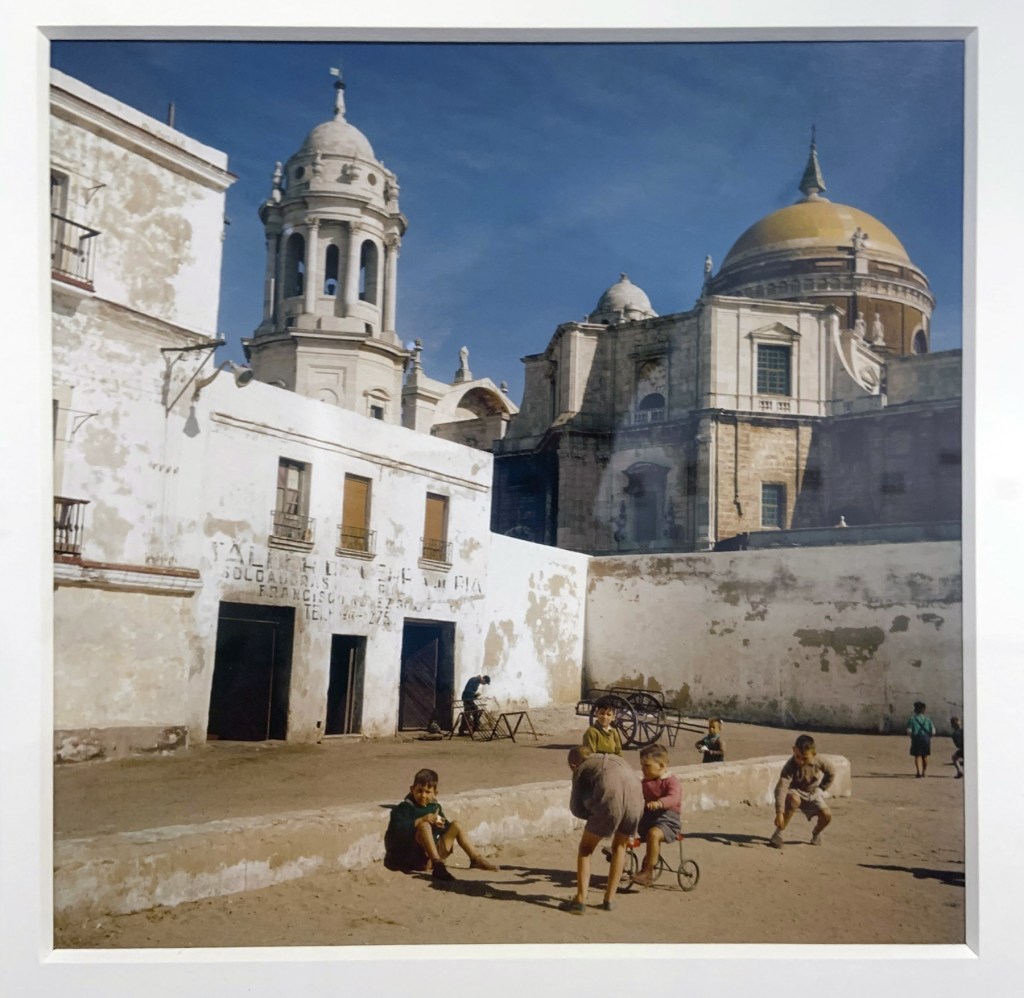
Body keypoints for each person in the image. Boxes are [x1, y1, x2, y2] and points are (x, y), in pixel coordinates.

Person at [561, 745, 644, 913]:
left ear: (573, 764)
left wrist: (593, 818)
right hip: (636, 801)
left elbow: (575, 807)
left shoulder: (581, 768)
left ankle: (580, 900)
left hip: (611, 799)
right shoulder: (614, 759)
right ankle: (610, 900)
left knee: (585, 849)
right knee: (620, 847)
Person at [383, 767, 499, 881]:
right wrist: (421, 820)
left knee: (456, 825)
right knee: (424, 826)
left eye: (427, 792)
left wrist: (441, 824)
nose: (423, 795)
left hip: (435, 853)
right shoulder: (404, 808)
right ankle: (438, 866)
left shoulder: (435, 807)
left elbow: (445, 827)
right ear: (412, 789)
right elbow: (397, 829)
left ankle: (475, 859)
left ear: (435, 793)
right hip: (415, 857)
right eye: (419, 791)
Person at [769, 734, 836, 849]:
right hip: (795, 791)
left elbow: (831, 772)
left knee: (827, 816)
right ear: (794, 750)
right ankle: (778, 833)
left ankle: (816, 832)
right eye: (797, 756)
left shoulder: (820, 761)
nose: (800, 761)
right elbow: (782, 787)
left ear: (813, 755)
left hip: (812, 792)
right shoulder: (790, 765)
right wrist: (779, 812)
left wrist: (822, 789)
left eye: (805, 758)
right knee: (793, 800)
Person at [630, 743, 682, 887]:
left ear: (661, 765)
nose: (643, 770)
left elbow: (673, 798)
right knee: (627, 819)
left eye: (647, 766)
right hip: (649, 818)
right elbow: (635, 794)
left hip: (667, 820)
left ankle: (648, 871)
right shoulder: (645, 782)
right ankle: (618, 851)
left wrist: (659, 803)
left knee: (653, 834)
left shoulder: (671, 781)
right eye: (642, 766)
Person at [907, 701, 937, 777]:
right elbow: (933, 731)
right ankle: (924, 772)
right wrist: (929, 737)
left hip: (916, 738)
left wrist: (912, 737)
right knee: (925, 756)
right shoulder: (928, 719)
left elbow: (909, 730)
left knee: (917, 755)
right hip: (926, 738)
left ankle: (918, 772)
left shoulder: (912, 719)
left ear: (915, 709)